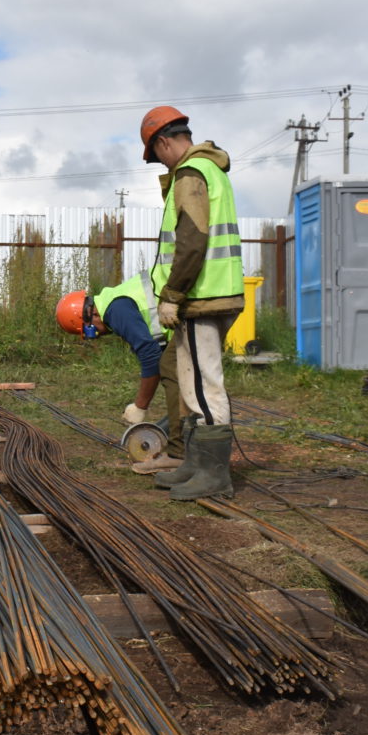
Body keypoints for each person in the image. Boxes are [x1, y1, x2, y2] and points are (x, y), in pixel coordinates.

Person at [139, 105, 245, 500]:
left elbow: (192, 239)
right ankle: (196, 465)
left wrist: (172, 295)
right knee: (191, 382)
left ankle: (214, 475)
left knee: (205, 386)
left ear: (164, 142)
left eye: (156, 155)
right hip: (205, 297)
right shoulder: (208, 171)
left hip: (203, 297)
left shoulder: (192, 173)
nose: (159, 163)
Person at [55, 271, 182, 474]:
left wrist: (140, 406)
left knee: (174, 375)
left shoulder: (115, 310)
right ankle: (178, 440)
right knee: (175, 373)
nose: (97, 335)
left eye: (91, 331)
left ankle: (182, 453)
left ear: (91, 314)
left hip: (191, 306)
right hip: (184, 312)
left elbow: (150, 356)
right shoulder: (113, 302)